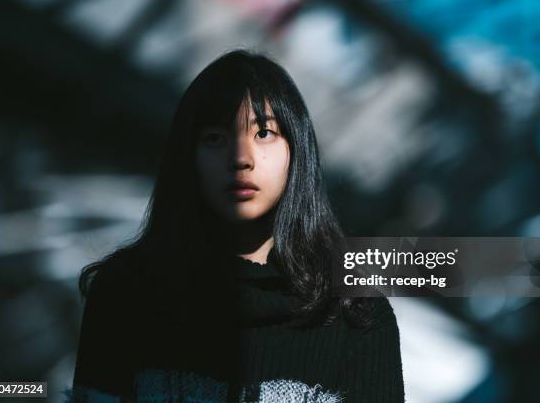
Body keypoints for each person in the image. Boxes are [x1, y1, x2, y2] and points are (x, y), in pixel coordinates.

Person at [66, 49, 405, 402]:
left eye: (264, 133)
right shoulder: (125, 294)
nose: (240, 159)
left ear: (298, 152)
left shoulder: (357, 314)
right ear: (187, 157)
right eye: (215, 138)